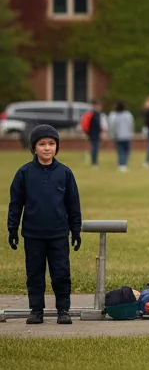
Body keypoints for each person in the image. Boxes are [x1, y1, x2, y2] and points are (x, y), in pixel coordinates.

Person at [7, 124, 82, 324]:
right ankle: (36, 310)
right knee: (34, 275)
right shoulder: (24, 173)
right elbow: (16, 204)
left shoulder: (65, 173)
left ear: (57, 146)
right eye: (42, 144)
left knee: (61, 274)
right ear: (34, 147)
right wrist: (12, 228)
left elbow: (73, 205)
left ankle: (63, 310)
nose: (47, 148)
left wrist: (76, 230)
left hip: (58, 234)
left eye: (51, 143)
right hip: (33, 235)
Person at [108, 100, 134, 172]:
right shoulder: (128, 115)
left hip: (119, 136)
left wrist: (113, 135)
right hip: (127, 136)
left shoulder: (115, 116)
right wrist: (131, 133)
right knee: (126, 151)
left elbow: (113, 127)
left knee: (121, 151)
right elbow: (131, 125)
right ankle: (123, 164)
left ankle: (121, 164)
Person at [85, 99, 103, 167]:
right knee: (95, 148)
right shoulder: (96, 114)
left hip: (91, 133)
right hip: (95, 134)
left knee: (94, 147)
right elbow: (97, 124)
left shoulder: (91, 113)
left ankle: (94, 161)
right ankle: (94, 162)